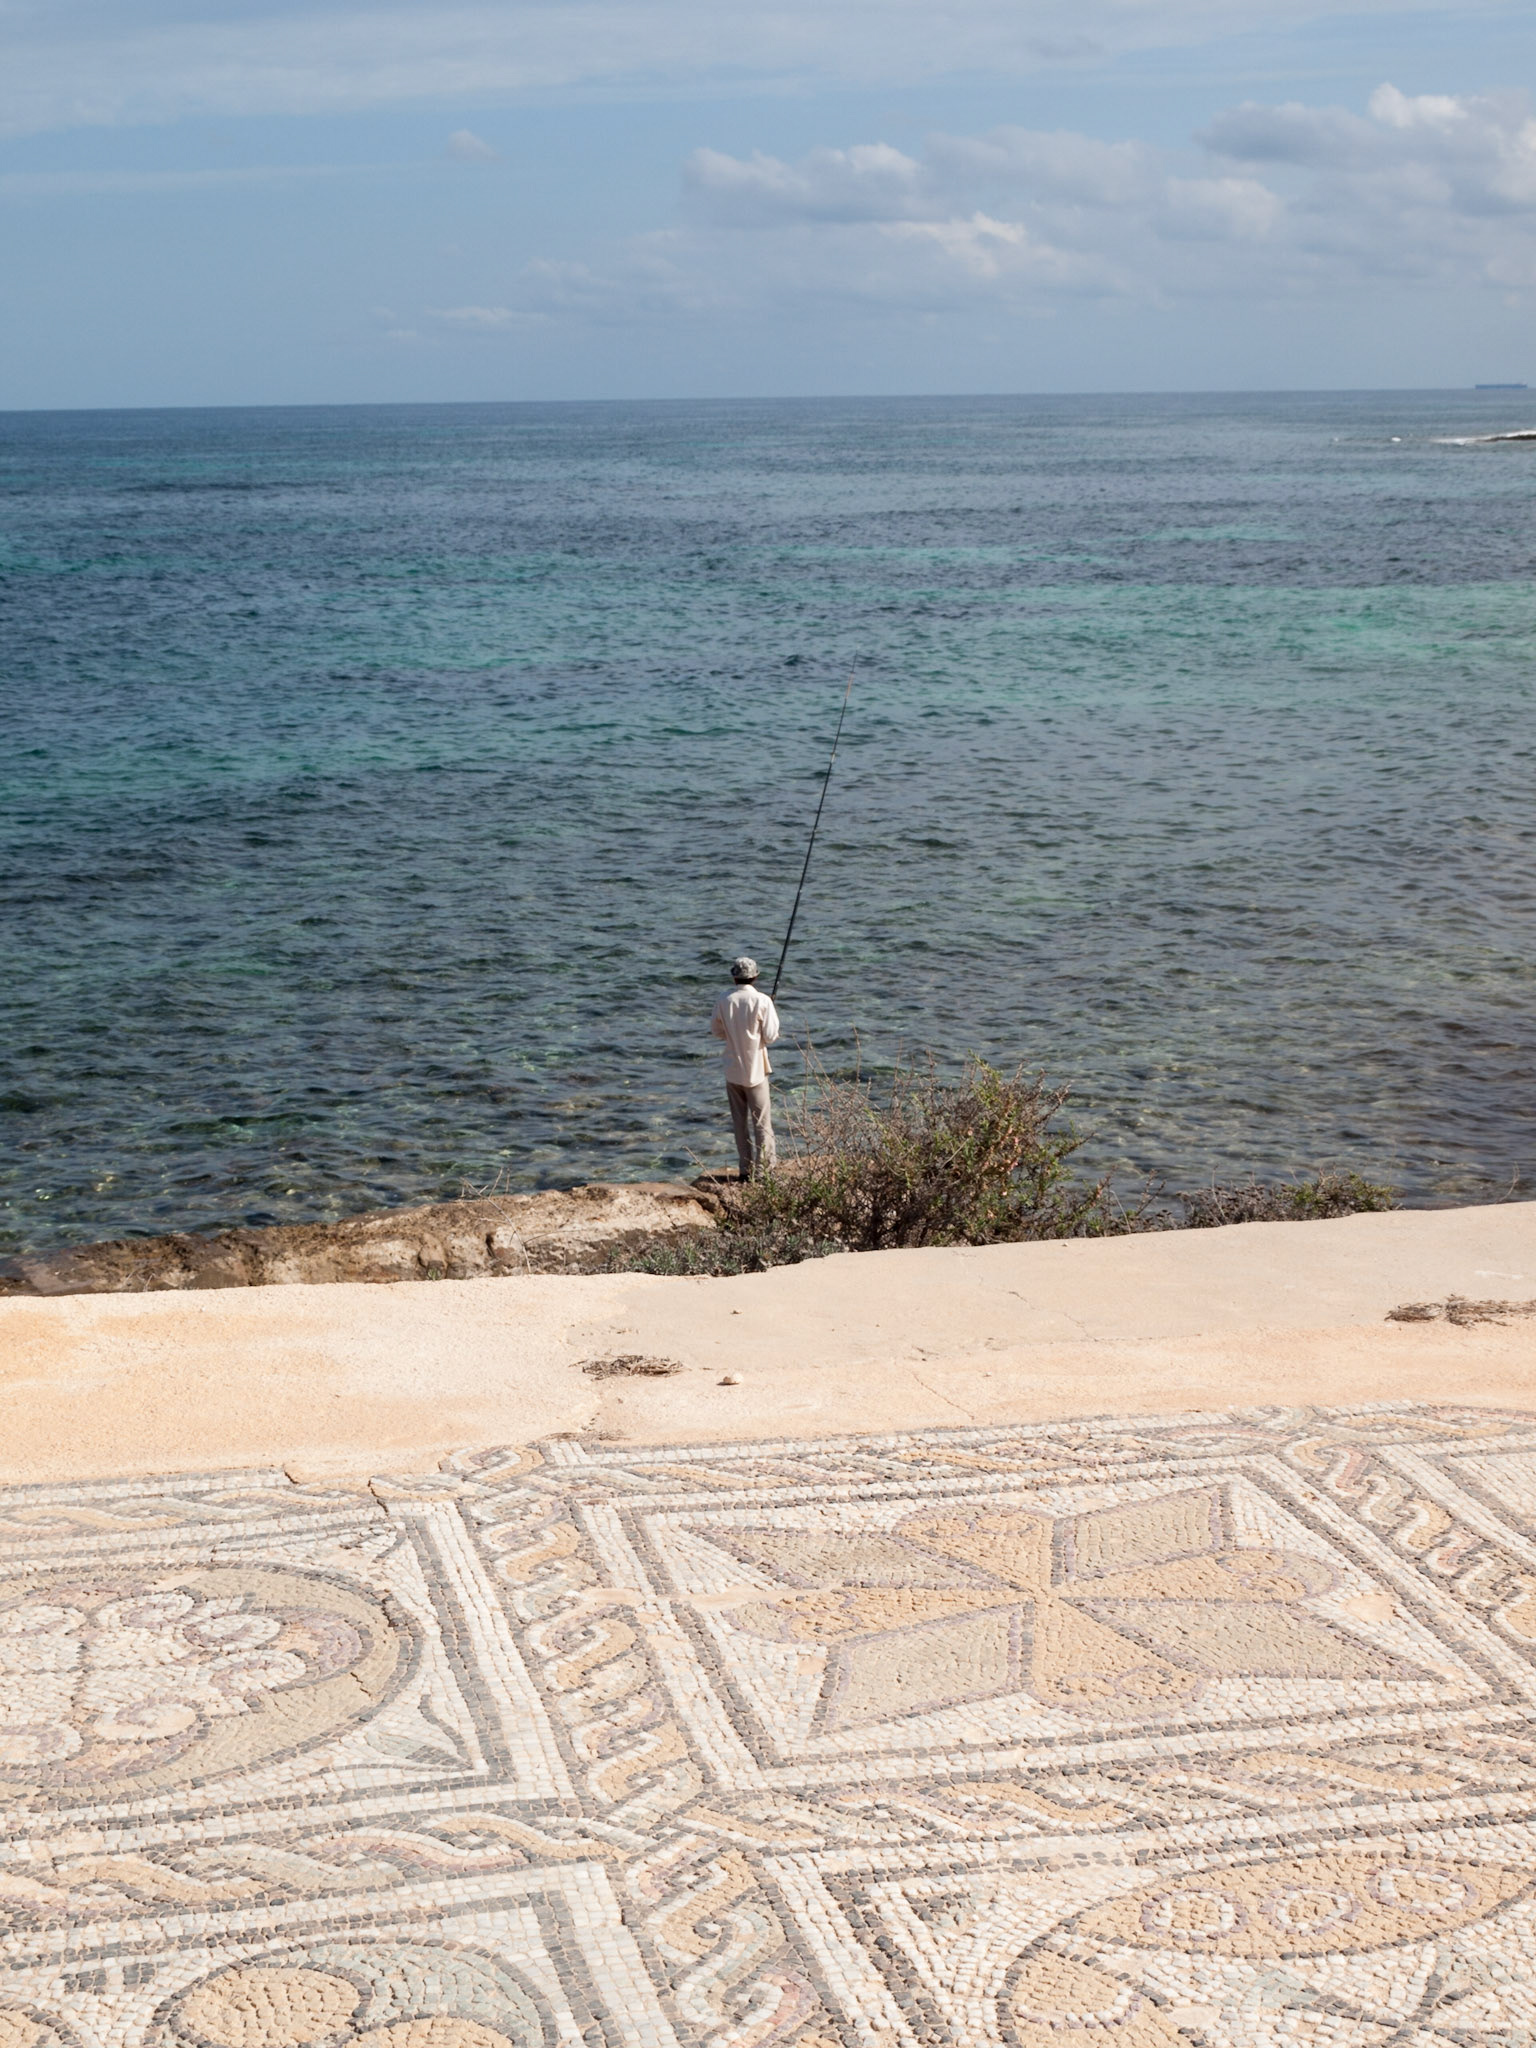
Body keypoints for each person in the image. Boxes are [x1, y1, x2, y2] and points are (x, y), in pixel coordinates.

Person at [710, 955, 780, 1180]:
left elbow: (716, 1031)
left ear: (734, 978)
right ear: (755, 977)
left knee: (739, 1121)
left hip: (732, 1069)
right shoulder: (763, 1001)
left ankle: (745, 1170)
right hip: (757, 1070)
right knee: (762, 1123)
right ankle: (765, 1171)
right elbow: (770, 1037)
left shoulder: (723, 1000)